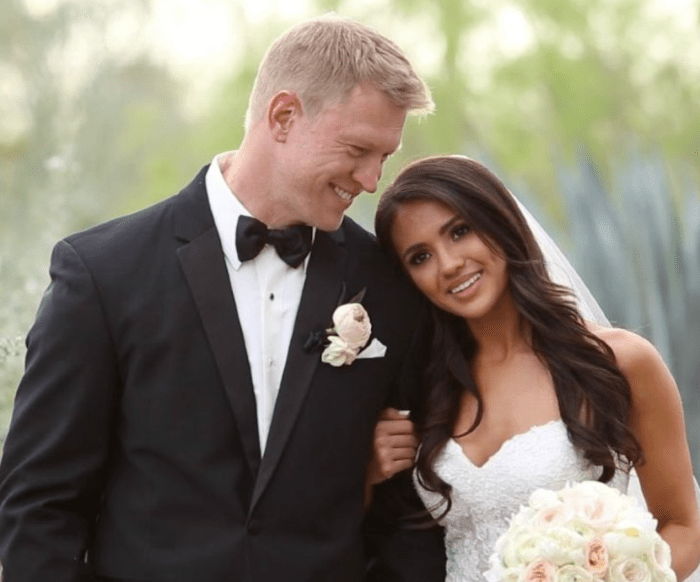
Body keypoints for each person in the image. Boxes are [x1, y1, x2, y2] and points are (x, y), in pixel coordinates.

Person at [0, 16, 446, 582]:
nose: (372, 180)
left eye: (385, 156)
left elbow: (405, 511)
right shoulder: (102, 274)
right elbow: (39, 506)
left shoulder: (385, 282)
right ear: (283, 116)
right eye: (359, 149)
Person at [371, 155, 700, 582]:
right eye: (420, 257)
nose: (449, 264)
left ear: (500, 222)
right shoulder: (421, 387)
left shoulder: (618, 362)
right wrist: (368, 472)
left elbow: (684, 527)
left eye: (460, 231)